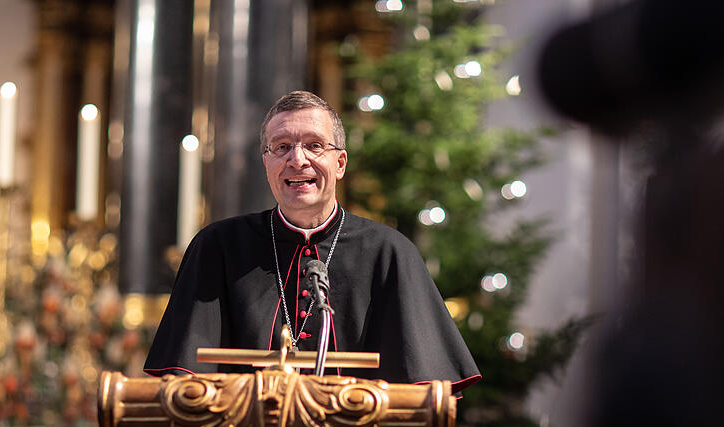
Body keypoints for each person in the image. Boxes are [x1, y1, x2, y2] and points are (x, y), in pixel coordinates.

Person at [144, 91, 480, 392]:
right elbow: (184, 383)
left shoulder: (389, 253)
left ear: (340, 164)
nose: (298, 159)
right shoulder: (217, 247)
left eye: (314, 145)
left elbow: (423, 395)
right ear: (267, 163)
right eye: (282, 147)